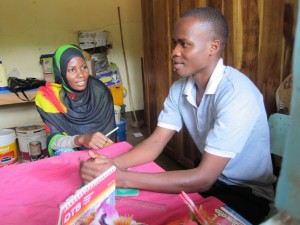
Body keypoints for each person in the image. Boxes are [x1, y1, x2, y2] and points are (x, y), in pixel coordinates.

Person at [80, 7, 276, 224]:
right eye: (175, 43)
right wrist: (109, 165)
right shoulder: (180, 89)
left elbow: (202, 178)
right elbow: (155, 142)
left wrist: (121, 178)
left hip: (245, 193)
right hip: (213, 183)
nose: (174, 51)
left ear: (213, 47)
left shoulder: (237, 93)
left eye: (184, 44)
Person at [35, 45, 116, 156]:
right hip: (73, 151)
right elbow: (54, 141)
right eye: (72, 70)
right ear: (61, 73)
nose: (81, 75)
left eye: (83, 67)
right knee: (64, 152)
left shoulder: (99, 91)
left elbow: (109, 132)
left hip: (101, 151)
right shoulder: (51, 99)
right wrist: (80, 139)